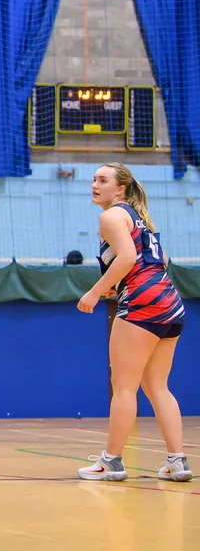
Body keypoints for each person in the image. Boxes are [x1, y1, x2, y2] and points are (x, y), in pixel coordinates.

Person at [77, 163, 190, 483]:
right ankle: (177, 461)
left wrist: (96, 292)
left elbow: (126, 258)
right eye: (94, 179)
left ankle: (112, 462)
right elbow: (161, 260)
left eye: (103, 180)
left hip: (142, 305)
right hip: (170, 302)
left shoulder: (111, 216)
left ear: (121, 189)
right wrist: (122, 283)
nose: (94, 185)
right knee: (157, 386)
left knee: (124, 387)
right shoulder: (140, 219)